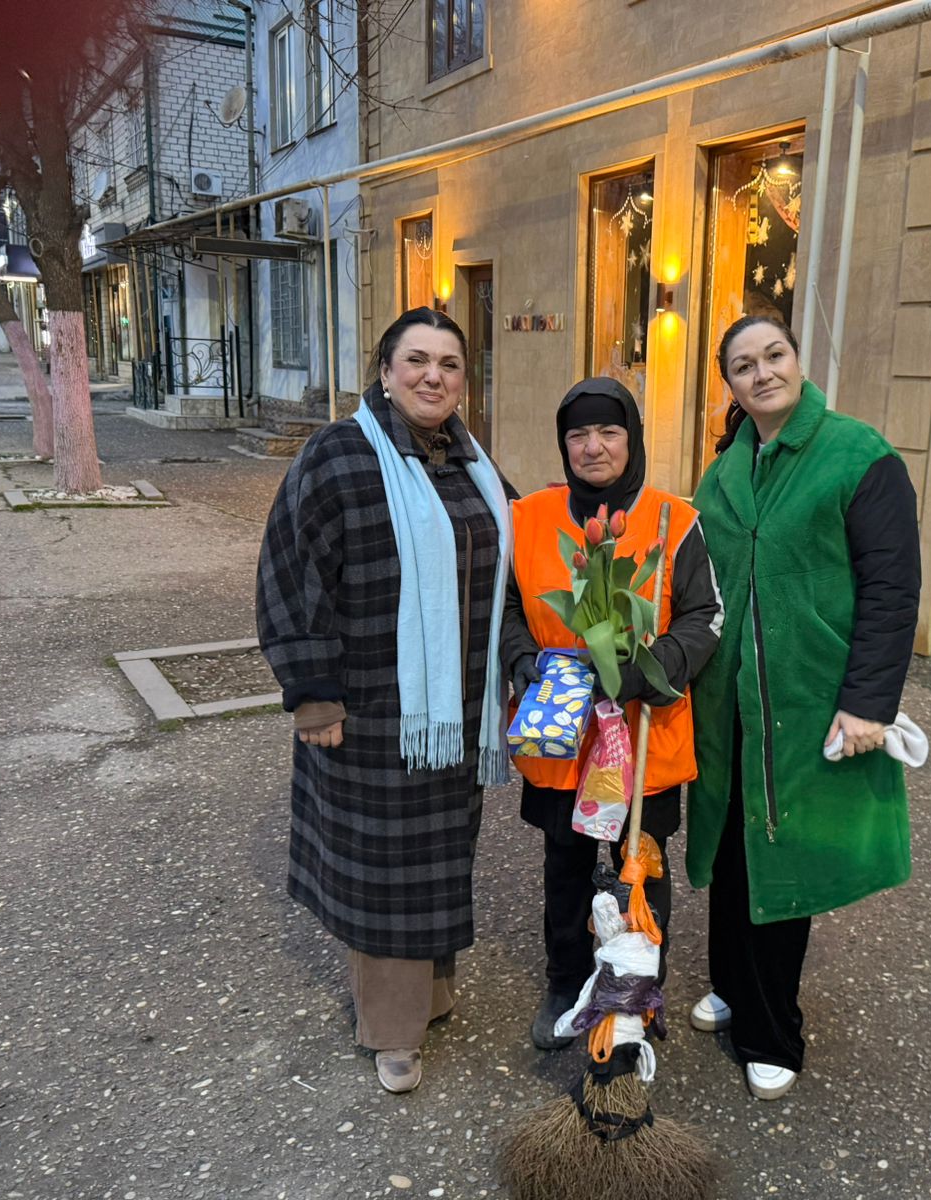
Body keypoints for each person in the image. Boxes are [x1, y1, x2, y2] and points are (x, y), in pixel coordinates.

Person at [256, 307, 513, 1095]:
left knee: (440, 859)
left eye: (450, 363)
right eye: (417, 360)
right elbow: (290, 572)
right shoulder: (340, 454)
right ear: (386, 370)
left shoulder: (472, 464)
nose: (434, 375)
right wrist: (313, 693)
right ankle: (392, 1032)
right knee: (387, 872)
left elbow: (524, 557)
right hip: (370, 713)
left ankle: (429, 998)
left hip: (453, 716)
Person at [685, 314, 922, 1101]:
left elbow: (892, 590)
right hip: (729, 710)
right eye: (743, 365)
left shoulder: (857, 455)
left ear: (798, 359)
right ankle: (732, 986)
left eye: (774, 355)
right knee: (732, 852)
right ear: (730, 383)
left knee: (781, 856)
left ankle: (772, 1032)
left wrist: (867, 704)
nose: (762, 373)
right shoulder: (726, 469)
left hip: (808, 704)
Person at [500, 376, 722, 1051]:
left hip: (644, 729)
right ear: (562, 443)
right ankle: (566, 981)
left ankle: (636, 996)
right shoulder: (530, 517)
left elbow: (706, 617)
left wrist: (652, 669)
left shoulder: (672, 519)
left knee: (640, 865)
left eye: (609, 432)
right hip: (562, 731)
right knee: (564, 862)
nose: (593, 447)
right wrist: (523, 658)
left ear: (633, 439)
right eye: (578, 435)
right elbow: (506, 608)